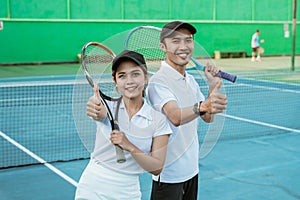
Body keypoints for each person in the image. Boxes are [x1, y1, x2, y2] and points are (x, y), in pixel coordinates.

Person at [147, 21, 228, 200]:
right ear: (163, 46)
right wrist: (204, 105)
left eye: (188, 40)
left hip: (191, 170)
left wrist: (212, 87)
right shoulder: (158, 82)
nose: (183, 46)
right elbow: (175, 116)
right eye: (175, 41)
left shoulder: (190, 80)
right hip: (168, 175)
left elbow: (207, 118)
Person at [75, 50, 171, 200]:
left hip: (127, 191)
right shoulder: (106, 106)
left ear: (146, 77)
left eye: (135, 74)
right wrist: (94, 108)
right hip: (92, 185)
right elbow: (98, 112)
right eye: (122, 76)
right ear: (115, 81)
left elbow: (157, 167)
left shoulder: (158, 120)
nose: (129, 81)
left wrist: (129, 146)